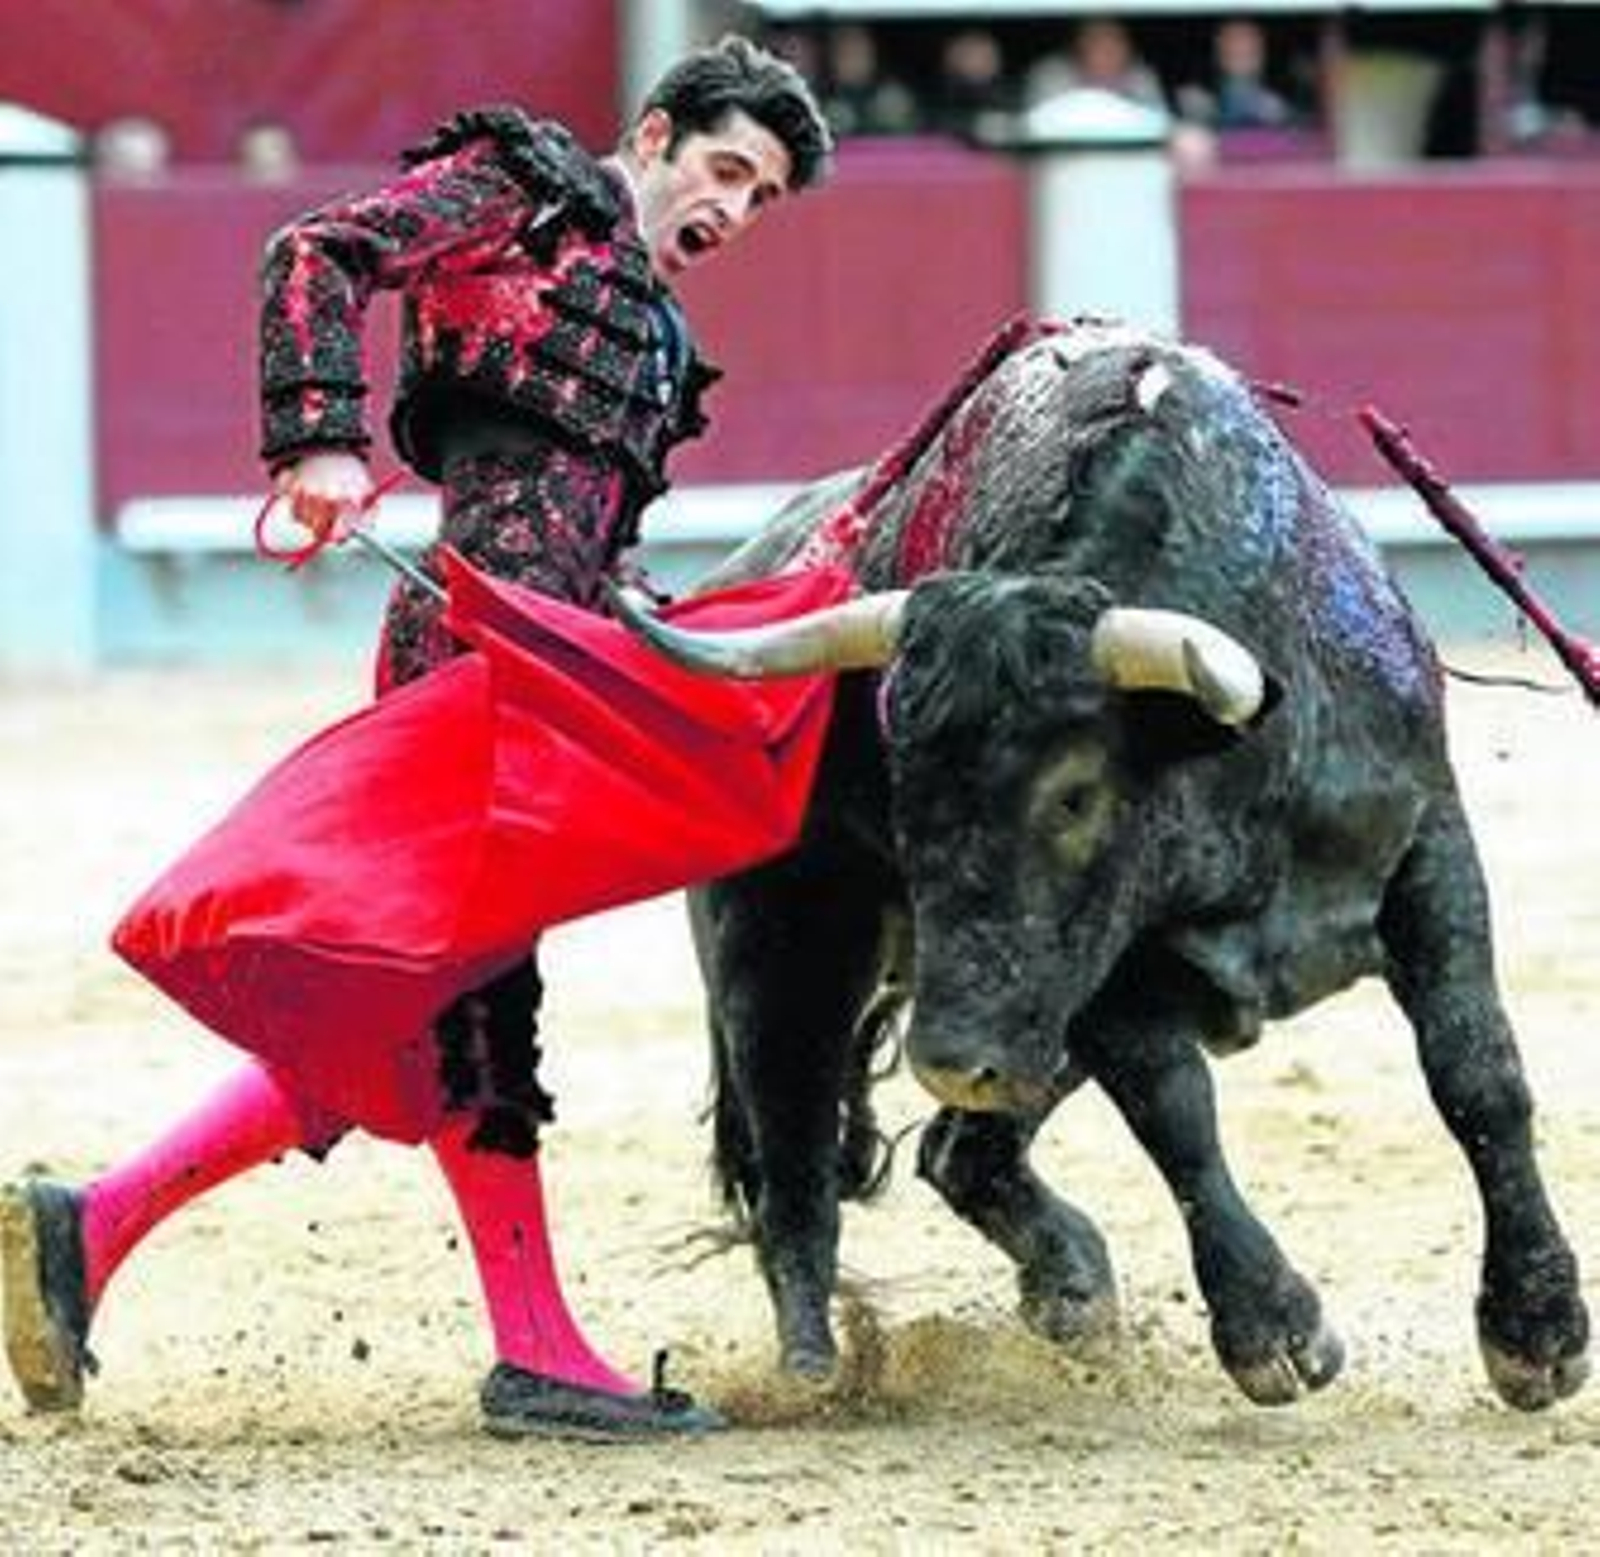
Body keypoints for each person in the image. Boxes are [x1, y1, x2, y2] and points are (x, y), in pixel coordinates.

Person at [2, 34, 833, 1443]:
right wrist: (315, 440)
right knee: (465, 1003)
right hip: (469, 662)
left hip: (552, 668)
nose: (735, 213)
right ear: (654, 133)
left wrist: (627, 615)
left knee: (415, 1008)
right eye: (728, 171)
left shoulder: (651, 323)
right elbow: (316, 252)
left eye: (762, 201)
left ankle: (87, 1233)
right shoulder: (525, 190)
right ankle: (537, 1353)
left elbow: (580, 526)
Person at [1024, 17, 1166, 113]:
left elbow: (1158, 124)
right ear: (1080, 45)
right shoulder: (1051, 75)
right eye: (1097, 39)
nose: (1109, 50)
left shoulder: (1140, 77)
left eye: (1116, 40)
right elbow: (1040, 129)